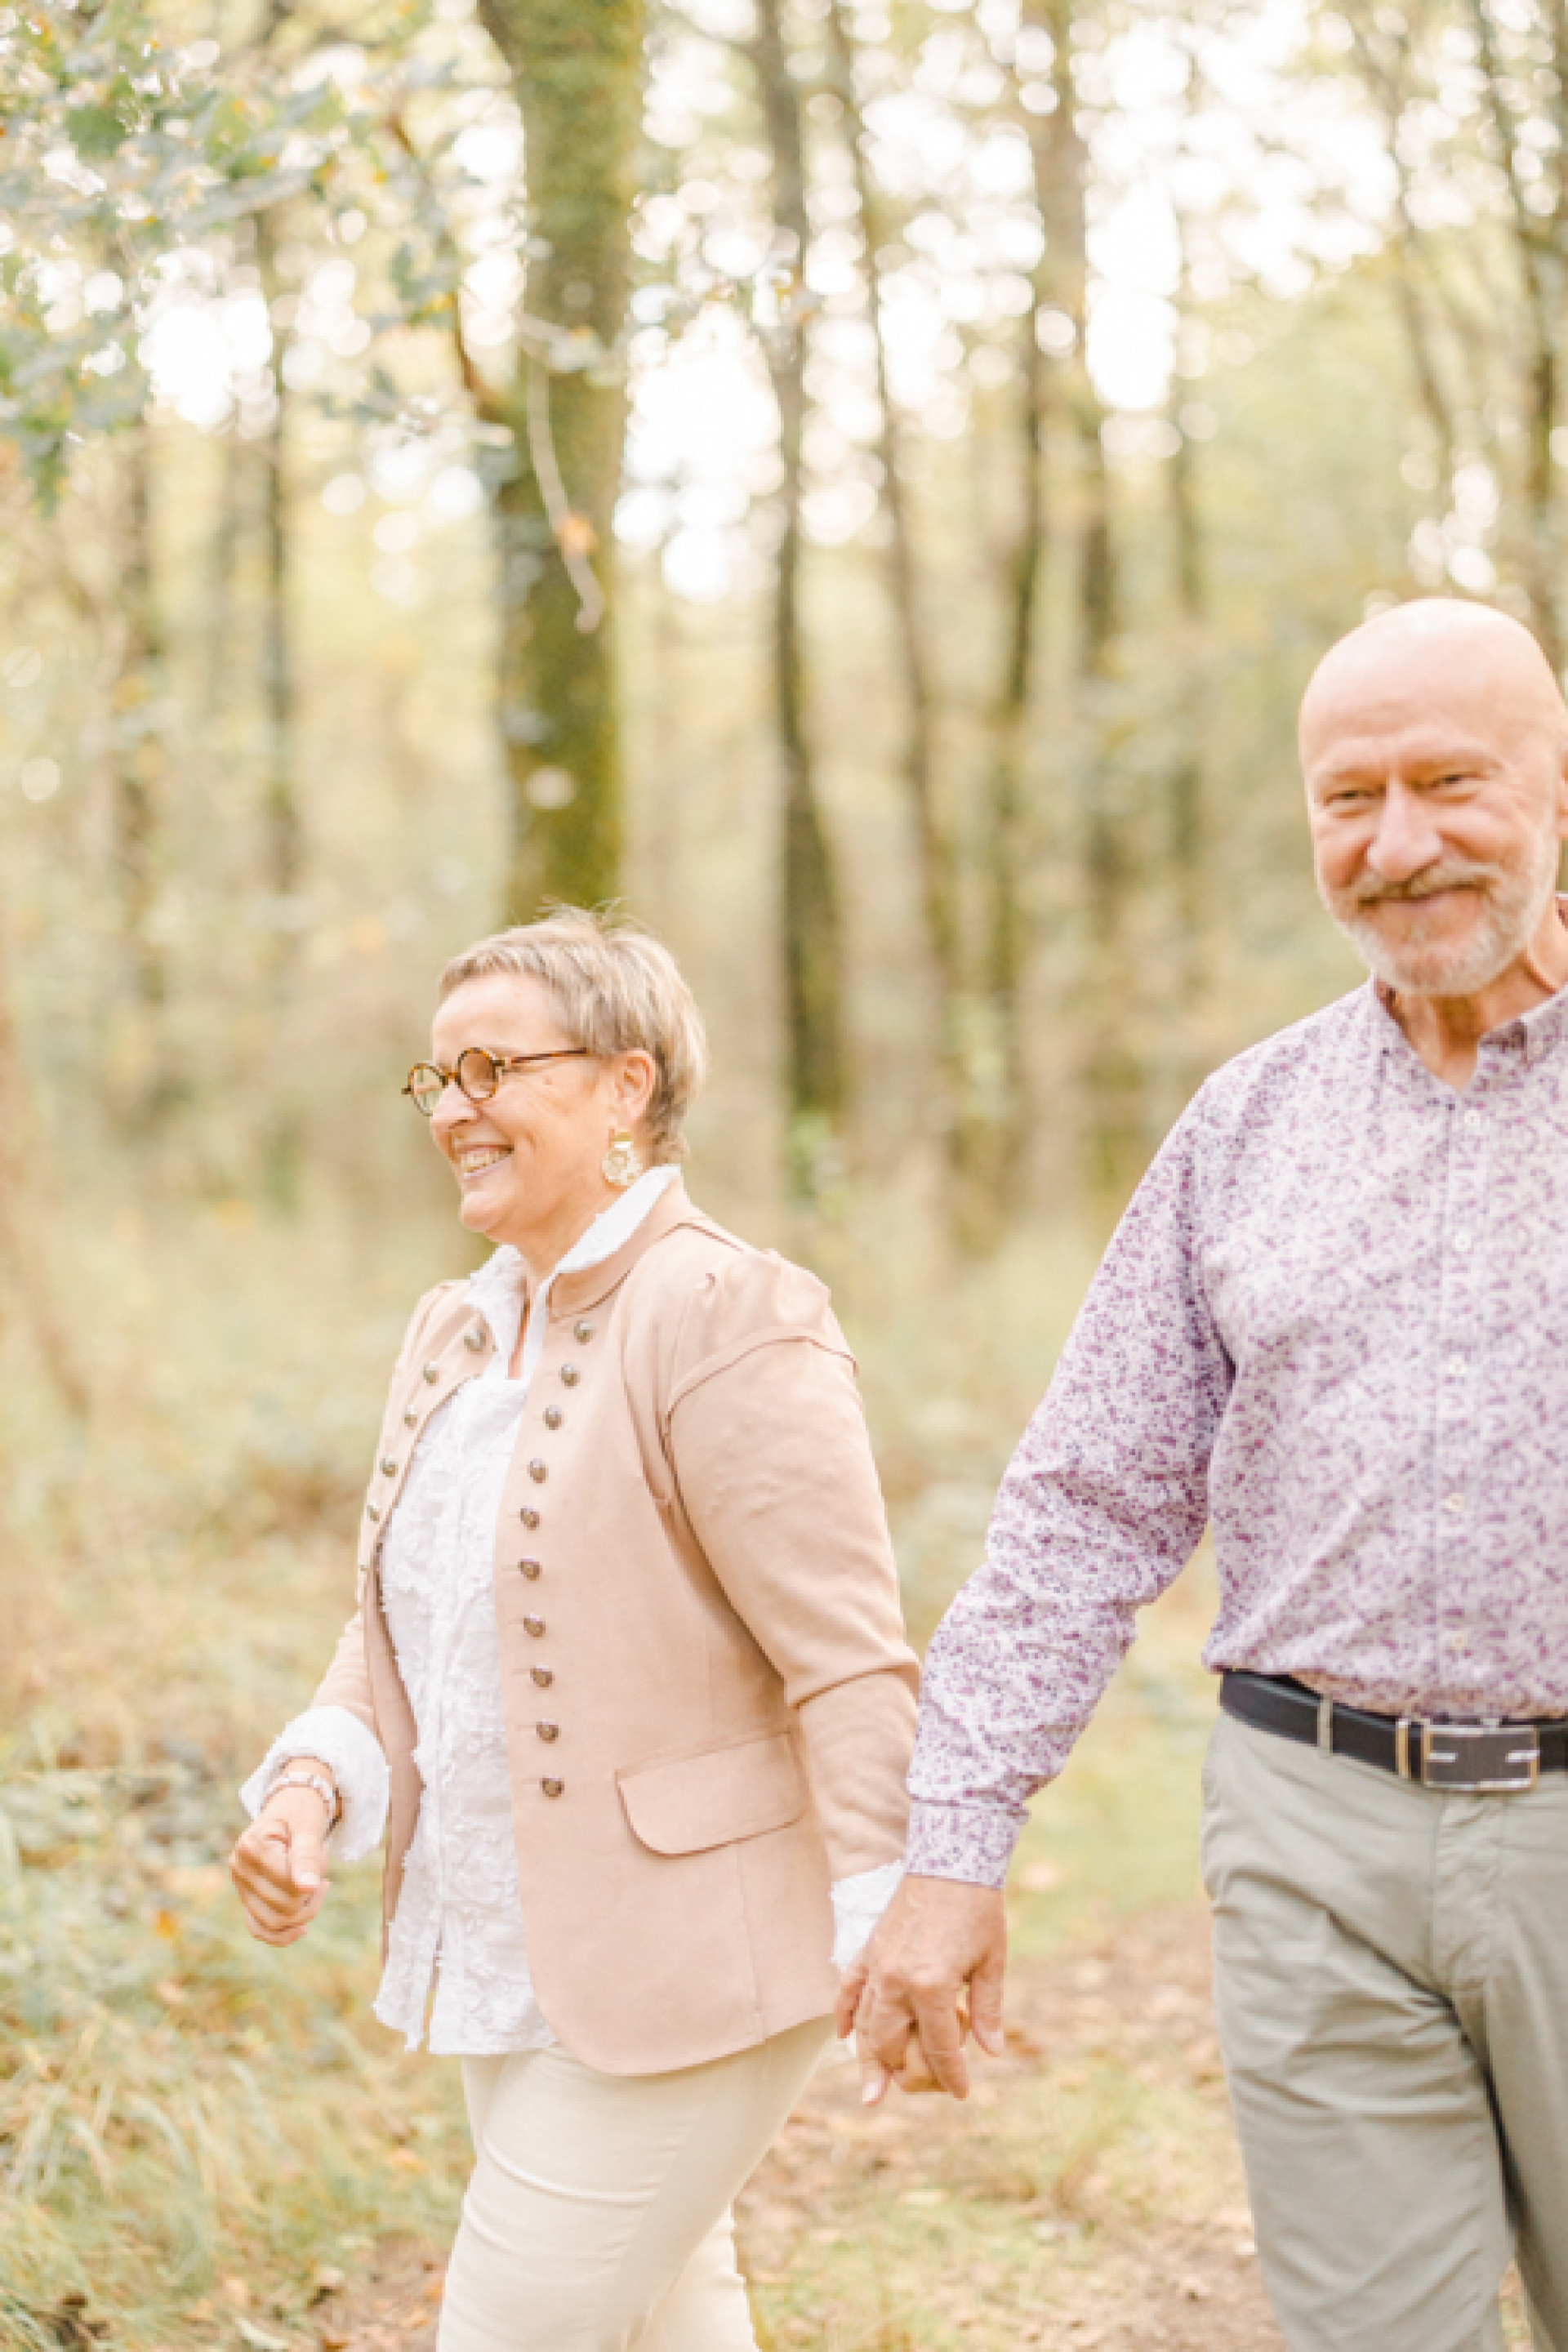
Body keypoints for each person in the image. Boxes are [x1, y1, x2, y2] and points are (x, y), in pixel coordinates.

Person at [844, 599, 1568, 2352]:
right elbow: (1089, 1498)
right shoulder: (1246, 1126)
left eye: (1452, 783)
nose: (1400, 845)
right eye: (1349, 799)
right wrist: (951, 1849)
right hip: (1311, 1830)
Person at [229, 908, 918, 2352]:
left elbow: (847, 1653)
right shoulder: (455, 1332)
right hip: (507, 1942)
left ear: (627, 1083)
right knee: (673, 2324)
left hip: (695, 1965)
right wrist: (312, 1783)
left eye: (494, 1071)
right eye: (438, 1081)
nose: (457, 1112)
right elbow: (403, 1621)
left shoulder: (729, 1311)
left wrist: (887, 1913)